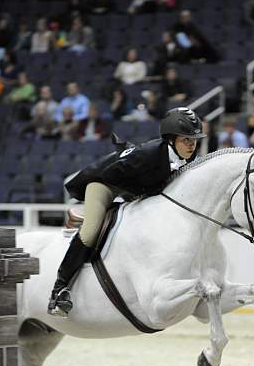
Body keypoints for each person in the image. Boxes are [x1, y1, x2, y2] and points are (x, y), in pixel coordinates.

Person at [47, 107, 206, 316]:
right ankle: (59, 291)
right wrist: (139, 194)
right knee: (90, 231)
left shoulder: (185, 159)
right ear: (171, 139)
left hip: (129, 185)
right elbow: (110, 175)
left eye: (194, 140)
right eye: (186, 139)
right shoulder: (149, 154)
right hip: (105, 183)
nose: (192, 145)